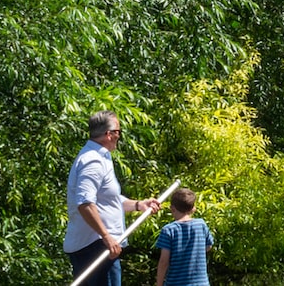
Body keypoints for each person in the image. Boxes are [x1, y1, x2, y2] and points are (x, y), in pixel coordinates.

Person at [63, 111, 163, 286]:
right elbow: (85, 204)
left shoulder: (101, 157)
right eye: (118, 131)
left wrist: (140, 205)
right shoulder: (92, 161)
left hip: (99, 246)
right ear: (109, 134)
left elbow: (110, 201)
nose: (119, 136)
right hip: (95, 247)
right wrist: (106, 236)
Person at [154, 187, 213, 286]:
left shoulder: (169, 230)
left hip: (176, 283)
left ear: (172, 208)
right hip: (201, 283)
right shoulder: (201, 225)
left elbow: (164, 261)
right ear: (193, 208)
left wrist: (159, 284)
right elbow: (209, 246)